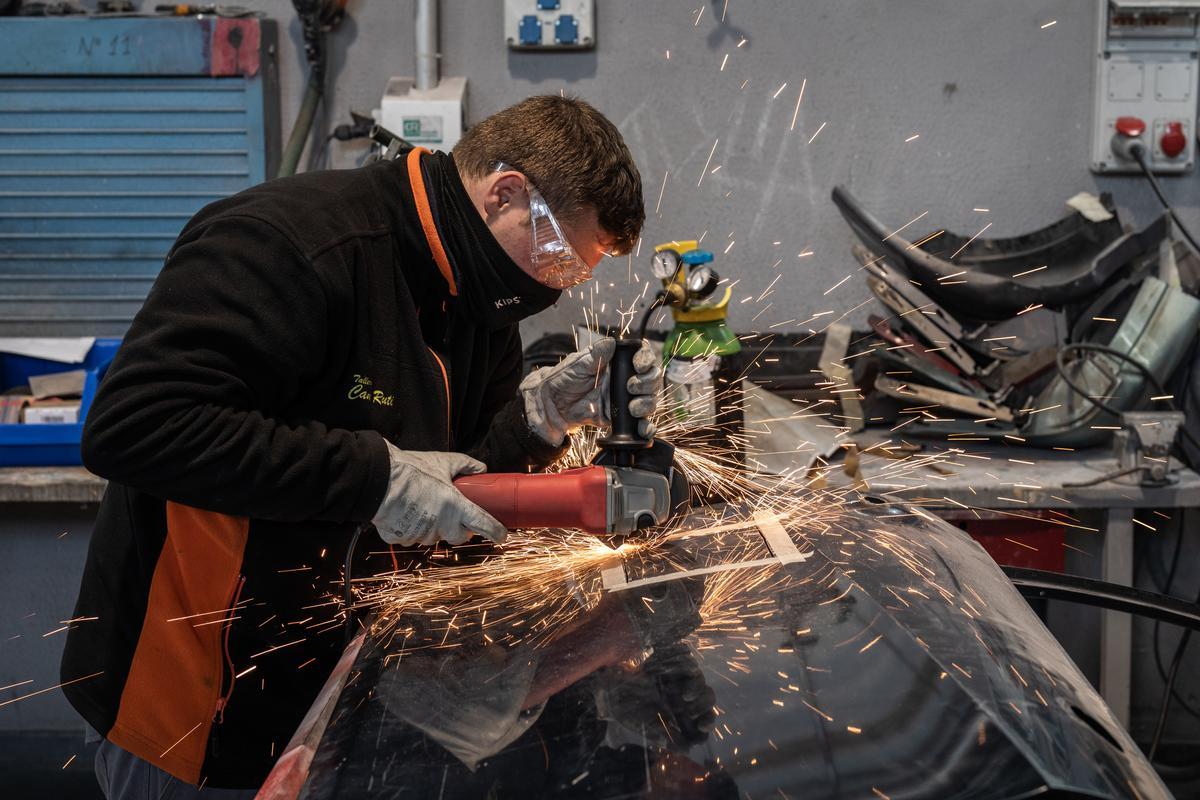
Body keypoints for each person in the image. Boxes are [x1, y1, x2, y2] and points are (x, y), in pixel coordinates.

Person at [60, 94, 659, 797]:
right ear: (506, 194)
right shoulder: (290, 245)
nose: (560, 288)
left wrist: (537, 421)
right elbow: (134, 424)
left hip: (345, 693)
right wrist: (372, 477)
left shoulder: (479, 298)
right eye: (561, 257)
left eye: (579, 275)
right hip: (198, 704)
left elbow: (456, 489)